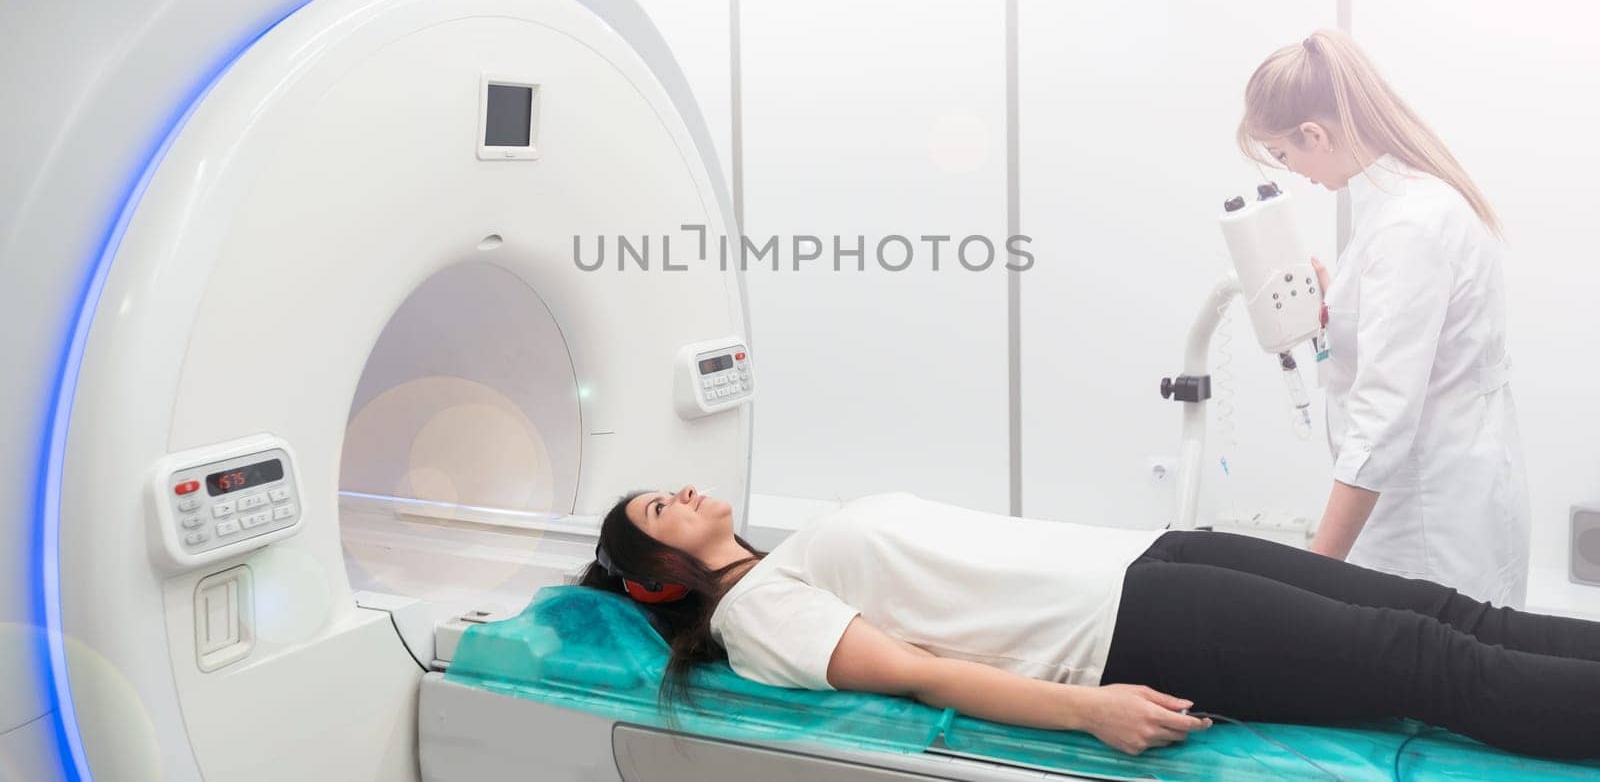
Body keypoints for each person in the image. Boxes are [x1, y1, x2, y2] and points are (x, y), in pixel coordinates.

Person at [582, 486, 1600, 760]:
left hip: (1147, 555)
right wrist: (1086, 711)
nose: (679, 492)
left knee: (1453, 612)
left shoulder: (789, 553)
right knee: (1430, 663)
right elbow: (912, 675)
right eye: (656, 514)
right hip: (1126, 625)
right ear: (656, 580)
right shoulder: (759, 615)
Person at [1238, 29, 1529, 606]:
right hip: (1451, 497)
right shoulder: (1412, 201)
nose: (1291, 170)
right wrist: (1341, 303)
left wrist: (1315, 576)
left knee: (1426, 681)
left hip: (1425, 523)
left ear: (1314, 134)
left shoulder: (1406, 226)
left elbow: (1381, 420)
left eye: (1283, 153)